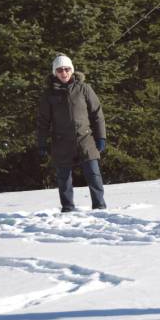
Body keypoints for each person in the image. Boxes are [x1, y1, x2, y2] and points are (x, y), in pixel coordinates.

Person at [35, 53, 107, 212]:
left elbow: (97, 114)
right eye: (60, 70)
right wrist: (41, 142)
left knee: (94, 174)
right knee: (63, 178)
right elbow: (42, 121)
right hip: (61, 140)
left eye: (67, 69)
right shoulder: (49, 94)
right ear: (55, 72)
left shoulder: (84, 88)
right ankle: (68, 208)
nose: (64, 73)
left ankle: (100, 206)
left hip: (85, 138)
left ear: (72, 70)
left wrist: (101, 136)